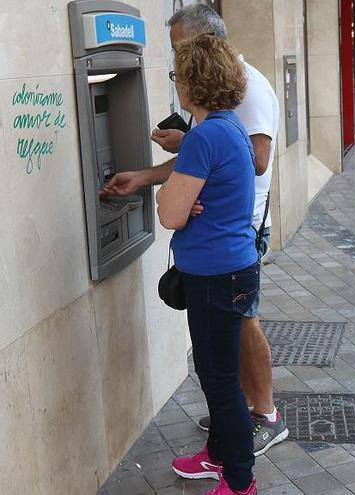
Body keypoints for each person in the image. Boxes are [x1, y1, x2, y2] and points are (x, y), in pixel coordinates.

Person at [101, 4, 287, 467]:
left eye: (180, 57)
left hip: (227, 247)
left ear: (204, 53)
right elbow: (217, 164)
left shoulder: (239, 108)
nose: (175, 69)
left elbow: (248, 165)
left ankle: (248, 444)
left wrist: (190, 180)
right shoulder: (221, 120)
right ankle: (228, 440)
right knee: (219, 367)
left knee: (224, 365)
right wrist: (174, 175)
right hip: (226, 249)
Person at [160, 33, 257, 495]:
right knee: (218, 370)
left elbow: (170, 214)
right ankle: (217, 456)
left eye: (178, 74)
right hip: (235, 267)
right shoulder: (229, 126)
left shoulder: (203, 138)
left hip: (214, 277)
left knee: (219, 380)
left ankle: (239, 482)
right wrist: (188, 195)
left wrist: (170, 196)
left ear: (191, 83)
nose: (177, 83)